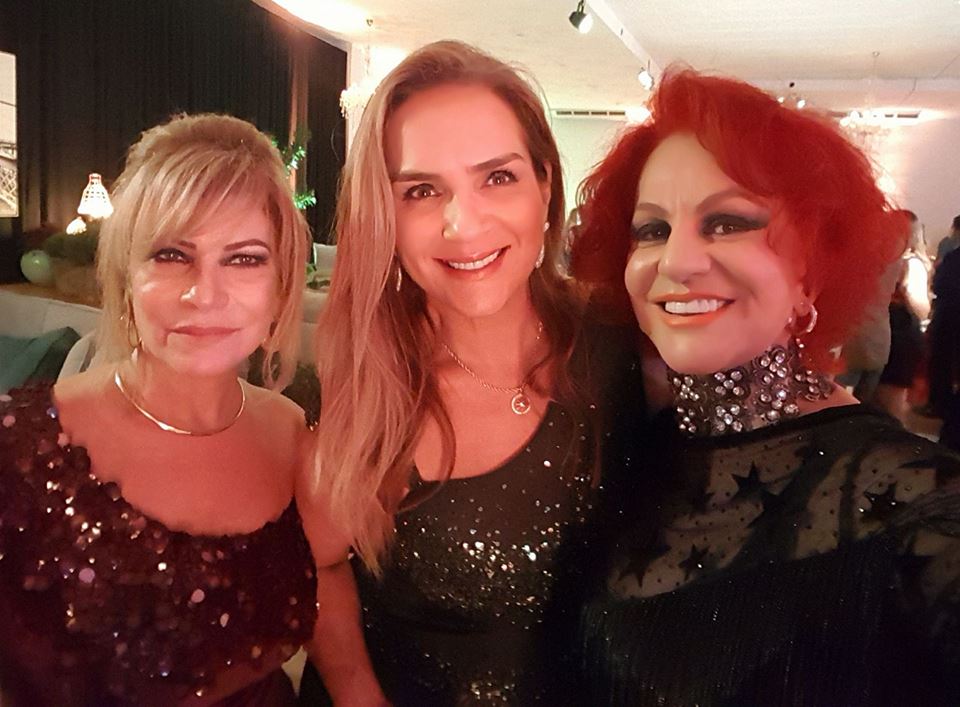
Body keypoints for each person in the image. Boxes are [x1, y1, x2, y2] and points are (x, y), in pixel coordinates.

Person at [571, 69, 960, 706]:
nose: (677, 261)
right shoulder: (635, 449)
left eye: (727, 222)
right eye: (652, 230)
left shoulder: (914, 501)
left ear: (812, 271)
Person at [298, 41, 642, 705]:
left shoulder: (625, 341)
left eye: (498, 177)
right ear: (385, 215)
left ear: (545, 185)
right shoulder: (360, 383)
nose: (463, 223)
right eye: (422, 191)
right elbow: (321, 560)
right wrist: (358, 693)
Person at [0, 114, 349, 705]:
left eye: (243, 259)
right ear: (125, 279)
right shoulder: (20, 449)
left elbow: (330, 572)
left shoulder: (290, 431)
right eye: (169, 254)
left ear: (281, 285)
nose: (203, 294)